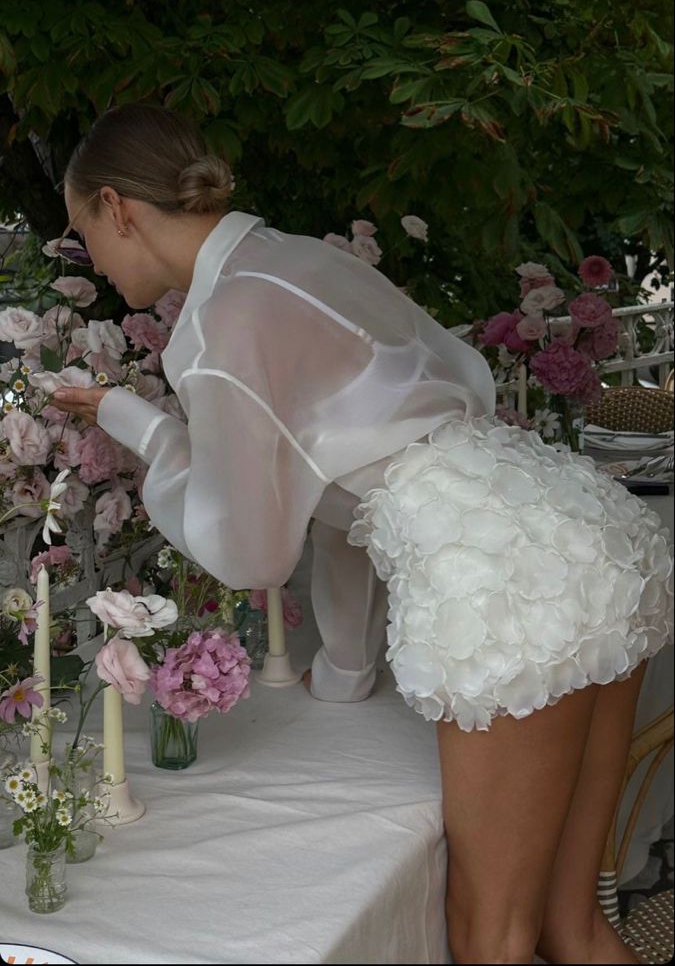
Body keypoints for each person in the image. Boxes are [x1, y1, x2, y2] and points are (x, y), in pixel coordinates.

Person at [51, 104, 673, 966]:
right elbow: (353, 493)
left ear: (118, 206)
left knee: (490, 941)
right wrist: (344, 671)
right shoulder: (297, 257)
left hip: (513, 586)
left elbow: (253, 551)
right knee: (572, 928)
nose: (95, 259)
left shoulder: (222, 322)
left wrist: (150, 432)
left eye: (85, 231)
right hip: (593, 537)